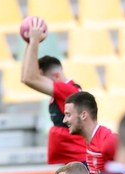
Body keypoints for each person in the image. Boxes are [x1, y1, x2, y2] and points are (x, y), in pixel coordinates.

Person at [20, 23, 87, 164]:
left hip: (79, 162)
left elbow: (29, 79)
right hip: (73, 161)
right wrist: (29, 43)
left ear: (56, 75)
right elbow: (26, 77)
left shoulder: (67, 90)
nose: (40, 83)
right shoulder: (64, 92)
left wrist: (34, 42)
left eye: (41, 78)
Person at [64, 91, 117, 174]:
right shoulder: (89, 140)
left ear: (83, 115)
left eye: (68, 115)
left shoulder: (108, 141)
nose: (64, 120)